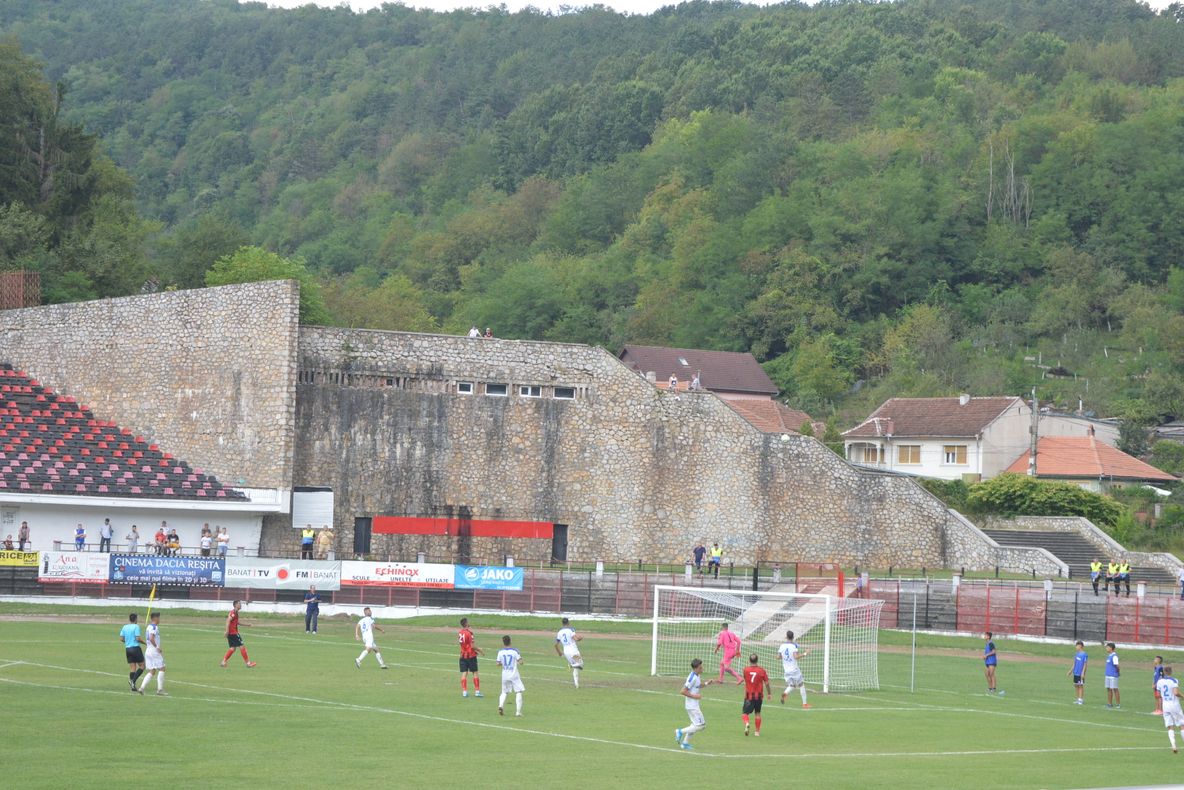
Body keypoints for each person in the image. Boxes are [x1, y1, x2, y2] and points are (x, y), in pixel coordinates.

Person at [675, 658, 705, 751]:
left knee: (694, 725)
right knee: (701, 725)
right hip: (692, 706)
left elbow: (698, 685)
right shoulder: (692, 678)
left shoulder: (697, 676)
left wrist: (708, 683)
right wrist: (695, 696)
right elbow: (683, 691)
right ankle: (680, 731)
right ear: (695, 668)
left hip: (693, 705)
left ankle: (685, 744)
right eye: (700, 667)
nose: (702, 669)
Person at [778, 629, 812, 708]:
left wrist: (785, 657)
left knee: (792, 685)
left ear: (786, 637)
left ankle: (785, 693)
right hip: (794, 670)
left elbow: (778, 657)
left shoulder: (782, 646)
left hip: (786, 671)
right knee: (801, 685)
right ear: (793, 637)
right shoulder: (793, 646)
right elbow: (796, 657)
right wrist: (805, 653)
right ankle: (805, 704)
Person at [220, 600, 257, 668]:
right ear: (235, 605)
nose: (241, 605)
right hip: (233, 633)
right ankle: (248, 663)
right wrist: (227, 631)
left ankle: (223, 662)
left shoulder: (236, 613)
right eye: (239, 604)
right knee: (242, 646)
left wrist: (247, 625)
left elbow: (237, 622)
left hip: (231, 633)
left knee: (232, 648)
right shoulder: (233, 612)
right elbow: (228, 620)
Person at [741, 653, 771, 737]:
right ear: (757, 660)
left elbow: (746, 679)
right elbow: (767, 683)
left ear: (749, 660)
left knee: (745, 713)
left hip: (748, 696)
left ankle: (747, 723)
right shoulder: (761, 670)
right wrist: (769, 693)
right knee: (757, 713)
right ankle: (757, 732)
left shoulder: (745, 670)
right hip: (759, 696)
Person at [1156, 665, 1183, 753]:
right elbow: (1176, 693)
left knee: (1170, 726)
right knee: (1181, 725)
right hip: (1174, 704)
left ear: (1164, 671)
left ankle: (1173, 746)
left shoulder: (1159, 681)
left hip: (1165, 705)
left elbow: (1158, 694)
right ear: (1171, 672)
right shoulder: (1174, 680)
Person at [139, 612, 167, 696]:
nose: (159, 620)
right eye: (159, 618)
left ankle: (142, 688)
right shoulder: (154, 627)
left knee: (152, 670)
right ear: (155, 618)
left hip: (148, 651)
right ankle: (160, 690)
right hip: (153, 650)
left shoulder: (149, 626)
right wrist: (157, 647)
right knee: (162, 668)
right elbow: (151, 638)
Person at [496, 635, 524, 717]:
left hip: (505, 675)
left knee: (504, 692)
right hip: (514, 674)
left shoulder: (500, 652)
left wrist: (503, 663)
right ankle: (518, 712)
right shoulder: (515, 651)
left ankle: (500, 705)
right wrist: (520, 661)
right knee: (518, 691)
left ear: (503, 643)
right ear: (510, 641)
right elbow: (521, 662)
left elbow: (497, 663)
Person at [119, 612, 146, 694]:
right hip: (135, 648)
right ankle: (133, 681)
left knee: (133, 668)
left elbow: (121, 639)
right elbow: (138, 638)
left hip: (128, 649)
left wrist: (127, 642)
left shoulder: (125, 627)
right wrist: (145, 643)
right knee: (142, 666)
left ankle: (132, 687)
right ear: (135, 619)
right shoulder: (136, 626)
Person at [458, 617, 484, 698]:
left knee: (464, 673)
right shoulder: (470, 633)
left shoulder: (460, 633)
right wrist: (480, 650)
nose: (469, 623)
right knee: (475, 672)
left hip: (462, 655)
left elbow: (462, 644)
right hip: (471, 656)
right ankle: (477, 691)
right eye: (468, 622)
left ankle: (464, 692)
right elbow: (472, 646)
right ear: (466, 624)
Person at [555, 617, 584, 687]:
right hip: (573, 650)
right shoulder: (571, 629)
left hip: (566, 651)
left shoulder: (559, 632)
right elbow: (576, 639)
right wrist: (581, 638)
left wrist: (559, 653)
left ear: (562, 623)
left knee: (576, 668)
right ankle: (570, 666)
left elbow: (556, 644)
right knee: (581, 664)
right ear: (568, 623)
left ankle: (576, 684)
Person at [1067, 640, 1088, 705]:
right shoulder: (1076, 654)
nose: (1076, 647)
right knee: (1076, 685)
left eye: (1077, 646)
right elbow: (1074, 663)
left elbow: (1085, 664)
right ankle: (1078, 699)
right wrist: (1070, 671)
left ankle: (1081, 700)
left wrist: (1083, 673)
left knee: (1080, 686)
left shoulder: (1084, 654)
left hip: (1080, 673)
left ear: (1080, 646)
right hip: (1075, 673)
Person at [1104, 641, 1120, 709]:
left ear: (1111, 648)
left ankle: (1118, 704)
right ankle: (1109, 703)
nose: (1106, 648)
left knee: (1115, 689)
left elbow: (1117, 666)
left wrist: (1117, 673)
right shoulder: (1109, 656)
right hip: (1108, 675)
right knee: (1109, 689)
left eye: (1107, 647)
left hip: (1113, 676)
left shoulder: (1114, 656)